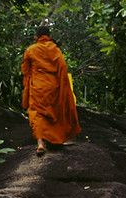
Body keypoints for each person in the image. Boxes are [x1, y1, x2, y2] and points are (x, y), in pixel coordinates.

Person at [21, 25, 81, 155]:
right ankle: (54, 139)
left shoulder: (31, 50)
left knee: (37, 114)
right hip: (53, 87)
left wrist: (27, 84)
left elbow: (25, 70)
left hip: (37, 87)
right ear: (49, 37)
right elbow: (63, 68)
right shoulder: (55, 50)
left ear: (36, 37)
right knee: (51, 112)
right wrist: (63, 86)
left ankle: (41, 143)